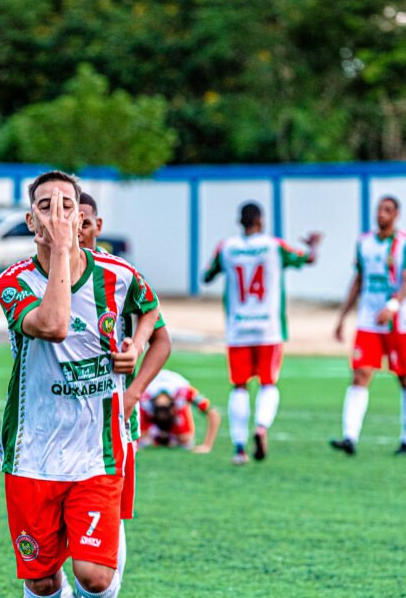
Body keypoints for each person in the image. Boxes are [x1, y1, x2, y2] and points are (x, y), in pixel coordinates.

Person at [0, 170, 161, 598]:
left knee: (90, 576)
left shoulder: (121, 277)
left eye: (68, 204)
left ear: (82, 213)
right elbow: (55, 323)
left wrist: (135, 350)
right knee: (41, 582)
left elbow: (159, 328)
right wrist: (62, 255)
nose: (59, 213)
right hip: (33, 454)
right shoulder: (12, 281)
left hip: (96, 450)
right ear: (31, 221)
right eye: (46, 205)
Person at [65, 191, 171, 598]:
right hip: (51, 425)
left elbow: (159, 333)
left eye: (84, 220)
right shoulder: (38, 273)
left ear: (97, 224)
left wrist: (132, 392)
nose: (78, 228)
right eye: (70, 219)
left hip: (107, 425)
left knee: (109, 520)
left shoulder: (118, 275)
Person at [203, 202, 321, 464]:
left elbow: (207, 276)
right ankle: (261, 427)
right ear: (261, 221)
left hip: (238, 327)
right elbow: (308, 258)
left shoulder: (227, 248)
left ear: (240, 221)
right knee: (268, 383)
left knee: (239, 386)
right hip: (268, 328)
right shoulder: (273, 246)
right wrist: (313, 245)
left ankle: (239, 447)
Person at [330, 196, 406, 455]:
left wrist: (394, 305)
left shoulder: (402, 243)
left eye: (387, 210)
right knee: (360, 373)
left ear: (396, 214)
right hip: (368, 320)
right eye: (379, 210)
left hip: (398, 322)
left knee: (404, 378)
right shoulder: (364, 243)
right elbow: (358, 280)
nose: (381, 214)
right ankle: (349, 437)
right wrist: (342, 317)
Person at [138, 368, 220, 452]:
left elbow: (213, 413)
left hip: (170, 408)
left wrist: (207, 446)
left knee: (185, 440)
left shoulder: (183, 391)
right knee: (141, 439)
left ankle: (164, 436)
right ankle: (157, 435)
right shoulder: (142, 395)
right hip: (149, 407)